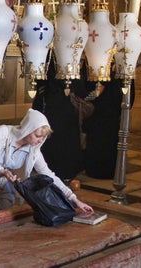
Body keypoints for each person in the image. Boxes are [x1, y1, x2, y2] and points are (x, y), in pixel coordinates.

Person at [0, 108, 94, 216]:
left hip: (1, 184)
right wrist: (1, 171)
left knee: (1, 219)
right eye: (38, 136)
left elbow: (49, 175)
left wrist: (75, 199)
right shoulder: (1, 133)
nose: (40, 140)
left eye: (43, 137)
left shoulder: (33, 150)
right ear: (27, 129)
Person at [32, 54, 88, 183]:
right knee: (57, 139)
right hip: (57, 108)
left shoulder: (52, 57)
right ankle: (59, 170)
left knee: (60, 139)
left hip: (60, 108)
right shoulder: (60, 58)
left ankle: (57, 170)